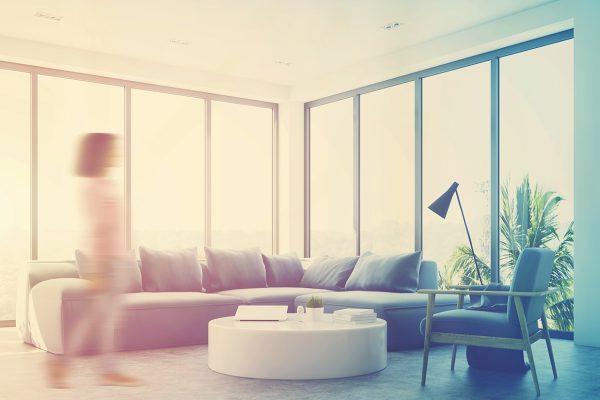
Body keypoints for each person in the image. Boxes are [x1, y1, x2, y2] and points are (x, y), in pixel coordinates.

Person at [46, 132, 140, 388]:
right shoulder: (91, 187)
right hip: (107, 264)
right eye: (112, 149)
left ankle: (101, 369)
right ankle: (68, 365)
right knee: (98, 318)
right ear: (99, 154)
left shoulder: (106, 184)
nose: (116, 153)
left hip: (117, 261)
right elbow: (97, 228)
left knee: (104, 319)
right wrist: (97, 269)